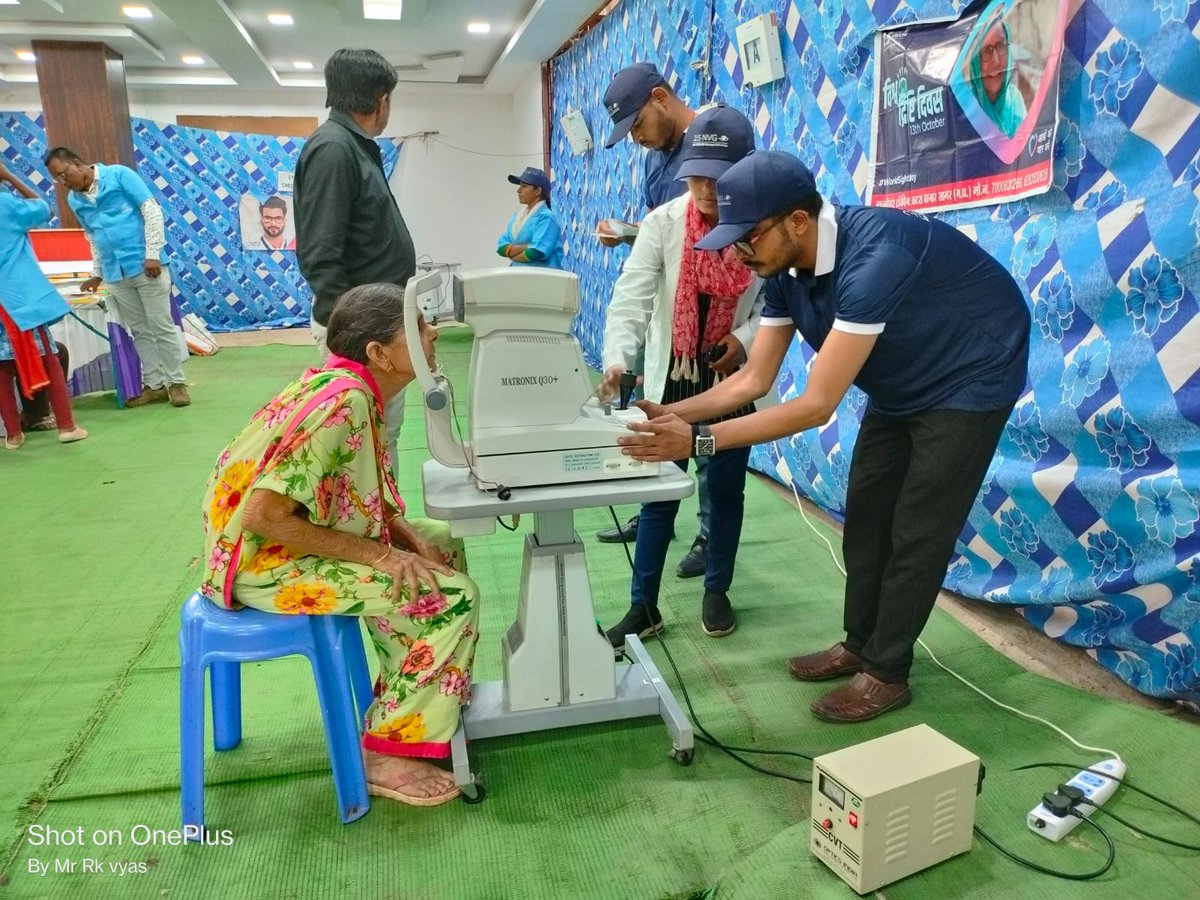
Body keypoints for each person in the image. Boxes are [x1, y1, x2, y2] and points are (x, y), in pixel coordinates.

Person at [618, 151, 1030, 723]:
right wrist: (669, 412)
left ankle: (886, 672)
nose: (739, 253)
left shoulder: (876, 258)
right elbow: (755, 377)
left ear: (798, 222)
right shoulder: (785, 271)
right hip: (904, 379)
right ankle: (860, 645)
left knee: (917, 528)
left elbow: (814, 405)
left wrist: (699, 442)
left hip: (972, 373)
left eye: (748, 237)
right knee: (866, 515)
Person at [200, 282, 480, 807]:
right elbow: (263, 516)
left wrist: (409, 537)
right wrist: (381, 553)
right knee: (452, 598)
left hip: (272, 548)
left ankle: (421, 698)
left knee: (438, 541)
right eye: (418, 328)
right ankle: (385, 753)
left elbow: (354, 496)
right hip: (265, 565)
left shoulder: (347, 386)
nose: (433, 332)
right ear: (379, 353)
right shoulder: (345, 403)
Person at [599, 106, 768, 646]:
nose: (704, 191)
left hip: (728, 383)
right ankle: (642, 605)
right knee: (658, 493)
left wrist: (743, 339)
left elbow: (776, 308)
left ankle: (717, 590)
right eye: (695, 177)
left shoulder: (763, 226)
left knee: (725, 492)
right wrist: (618, 359)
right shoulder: (664, 223)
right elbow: (632, 296)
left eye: (717, 180)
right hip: (671, 379)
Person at [594, 62, 710, 582]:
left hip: (714, 320)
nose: (637, 138)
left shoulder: (716, 133)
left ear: (661, 97)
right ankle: (651, 519)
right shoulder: (656, 160)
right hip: (672, 315)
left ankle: (710, 537)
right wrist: (629, 234)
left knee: (714, 447)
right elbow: (663, 233)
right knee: (659, 432)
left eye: (637, 124)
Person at [295, 47, 416, 475]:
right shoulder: (333, 149)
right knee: (362, 445)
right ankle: (374, 536)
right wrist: (355, 342)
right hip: (362, 337)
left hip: (376, 329)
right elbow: (320, 254)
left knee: (381, 436)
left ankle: (384, 529)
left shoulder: (353, 145)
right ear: (382, 99)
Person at [44, 147, 190, 408]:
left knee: (161, 325)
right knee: (139, 330)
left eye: (64, 175)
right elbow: (93, 237)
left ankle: (176, 383)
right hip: (114, 274)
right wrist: (97, 274)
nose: (64, 182)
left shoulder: (120, 175)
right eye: (58, 179)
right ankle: (155, 386)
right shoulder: (74, 200)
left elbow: (151, 211)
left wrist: (153, 253)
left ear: (78, 163)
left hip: (148, 266)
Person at [0, 161, 88, 449]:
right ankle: (66, 425)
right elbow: (43, 208)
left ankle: (13, 434)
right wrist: (9, 176)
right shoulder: (6, 204)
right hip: (19, 300)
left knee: (1, 370)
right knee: (50, 360)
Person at [970, 15, 1027, 138]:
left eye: (1001, 46)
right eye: (986, 50)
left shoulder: (1015, 100)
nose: (996, 60)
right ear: (974, 60)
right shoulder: (965, 107)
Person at [496, 167, 563, 269]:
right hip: (519, 276)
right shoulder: (517, 217)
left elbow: (534, 253)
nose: (518, 190)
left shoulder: (547, 219)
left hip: (543, 279)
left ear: (538, 191)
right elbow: (501, 248)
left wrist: (511, 253)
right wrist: (527, 246)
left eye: (524, 186)